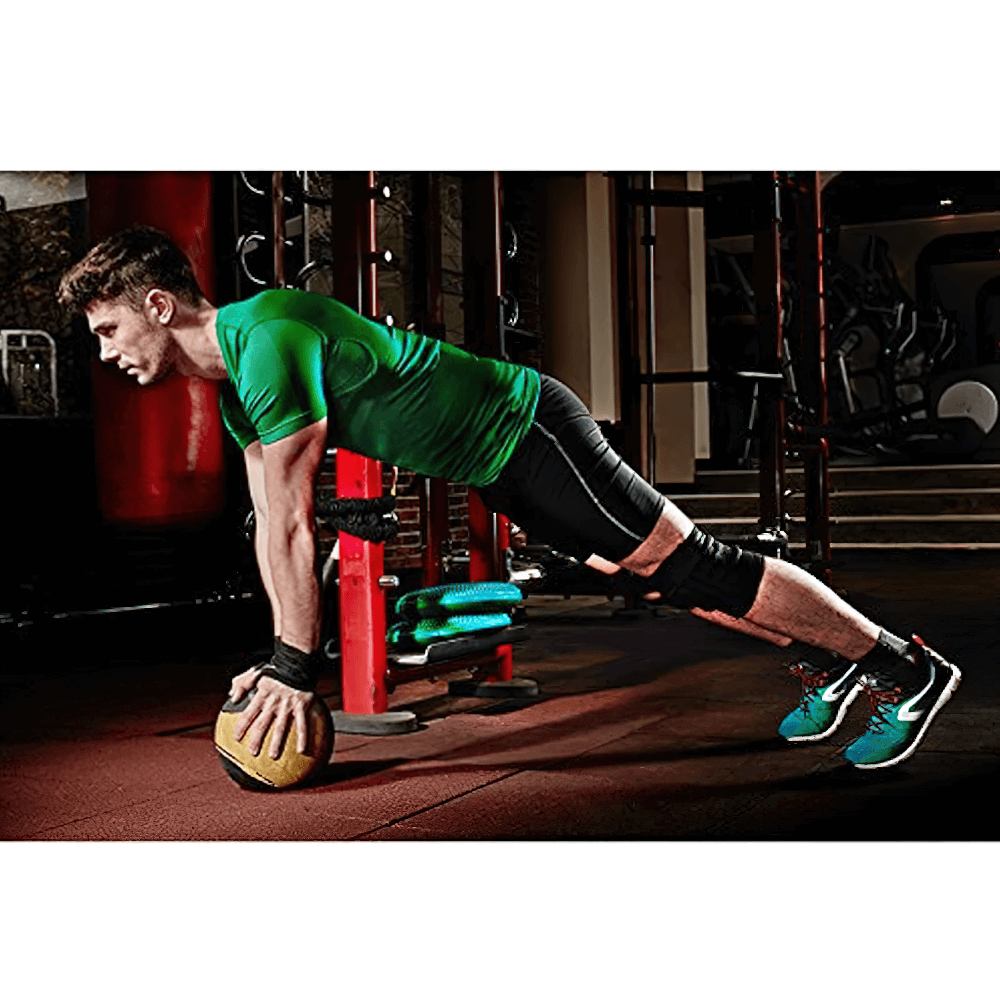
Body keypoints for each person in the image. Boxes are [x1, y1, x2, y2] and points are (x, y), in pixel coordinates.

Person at [59, 225, 962, 772]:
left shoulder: (267, 337)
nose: (105, 351)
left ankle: (903, 666)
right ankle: (834, 661)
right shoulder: (233, 394)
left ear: (159, 304)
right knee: (662, 583)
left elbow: (291, 521)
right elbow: (277, 528)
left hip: (528, 430)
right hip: (499, 463)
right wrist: (287, 635)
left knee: (695, 565)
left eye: (109, 329)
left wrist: (297, 663)